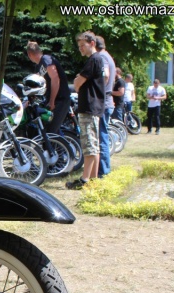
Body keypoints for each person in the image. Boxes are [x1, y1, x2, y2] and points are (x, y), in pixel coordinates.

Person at [66, 31, 106, 190]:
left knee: (89, 145)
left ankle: (84, 179)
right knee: (94, 145)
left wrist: (77, 81)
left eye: (83, 45)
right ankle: (94, 179)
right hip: (94, 107)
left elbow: (77, 83)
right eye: (79, 46)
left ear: (92, 43)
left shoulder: (93, 60)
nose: (80, 48)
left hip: (89, 107)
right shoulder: (98, 60)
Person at [26, 41, 71, 134]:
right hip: (52, 101)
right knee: (49, 130)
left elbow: (55, 78)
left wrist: (52, 101)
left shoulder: (46, 59)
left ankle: (63, 143)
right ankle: (62, 143)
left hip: (60, 99)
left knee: (51, 131)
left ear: (29, 54)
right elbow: (37, 86)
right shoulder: (38, 67)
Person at [95, 36, 113, 178]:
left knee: (101, 137)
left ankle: (103, 171)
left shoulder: (101, 57)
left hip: (103, 102)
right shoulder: (108, 56)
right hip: (107, 101)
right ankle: (103, 169)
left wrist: (98, 89)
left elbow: (105, 75)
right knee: (102, 135)